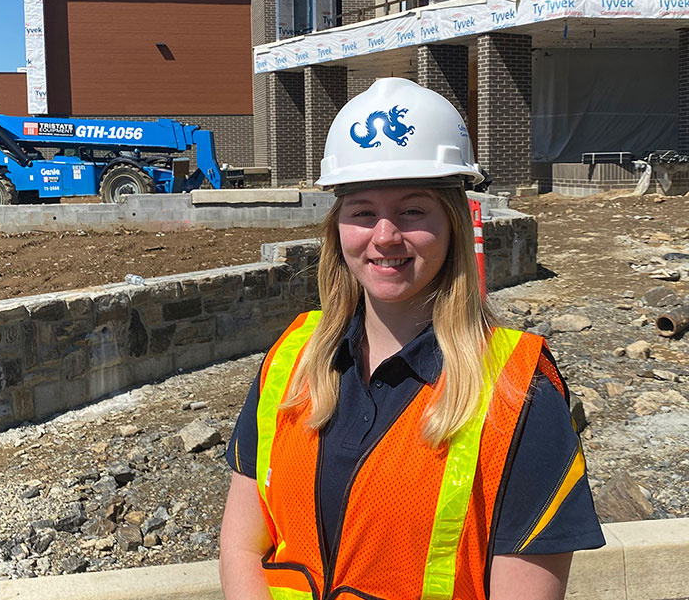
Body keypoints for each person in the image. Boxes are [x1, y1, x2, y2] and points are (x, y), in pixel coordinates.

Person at [219, 78, 604, 600]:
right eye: (361, 211)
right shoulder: (291, 360)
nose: (384, 236)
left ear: (453, 223)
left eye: (412, 210)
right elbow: (242, 547)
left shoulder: (520, 396)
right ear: (337, 228)